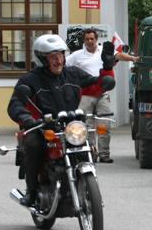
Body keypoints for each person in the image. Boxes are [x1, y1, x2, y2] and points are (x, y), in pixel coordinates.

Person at [7, 34, 105, 206]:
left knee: (88, 146)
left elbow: (96, 85)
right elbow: (15, 104)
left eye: (60, 55)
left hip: (70, 126)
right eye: (53, 57)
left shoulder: (73, 74)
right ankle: (31, 190)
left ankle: (87, 187)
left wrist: (108, 68)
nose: (58, 61)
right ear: (42, 59)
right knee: (33, 144)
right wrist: (27, 119)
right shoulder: (29, 80)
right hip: (43, 128)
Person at [65, 28, 139, 163]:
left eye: (92, 39)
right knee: (86, 126)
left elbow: (119, 55)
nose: (89, 41)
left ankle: (104, 154)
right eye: (87, 39)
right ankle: (90, 154)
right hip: (85, 95)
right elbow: (64, 65)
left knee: (104, 125)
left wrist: (133, 58)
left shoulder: (103, 51)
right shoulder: (77, 55)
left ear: (96, 39)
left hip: (102, 94)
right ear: (84, 40)